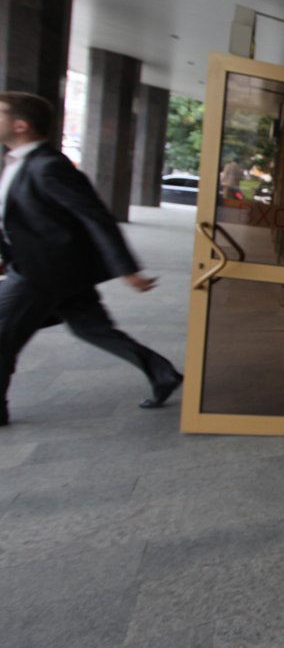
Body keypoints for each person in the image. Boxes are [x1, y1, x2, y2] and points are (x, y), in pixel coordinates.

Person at [0, 92, 182, 426]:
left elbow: (95, 217)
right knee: (94, 329)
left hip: (39, 274)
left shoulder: (49, 166)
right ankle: (162, 373)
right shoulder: (20, 163)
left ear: (21, 125)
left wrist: (127, 270)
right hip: (54, 270)